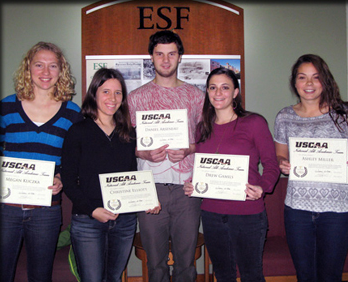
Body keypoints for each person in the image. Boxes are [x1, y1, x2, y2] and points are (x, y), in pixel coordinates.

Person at [184, 67, 280, 282]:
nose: (218, 93)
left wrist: (263, 188)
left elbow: (271, 165)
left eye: (225, 87)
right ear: (207, 92)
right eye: (213, 88)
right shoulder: (202, 128)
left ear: (235, 92)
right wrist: (193, 184)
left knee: (251, 275)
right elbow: (202, 168)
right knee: (223, 275)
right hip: (211, 214)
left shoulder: (254, 123)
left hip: (248, 213)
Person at [0, 41, 83, 282]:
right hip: (6, 208)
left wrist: (61, 178)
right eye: (39, 65)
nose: (45, 73)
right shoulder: (5, 108)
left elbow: (74, 161)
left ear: (61, 71)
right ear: (28, 68)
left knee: (40, 276)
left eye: (53, 66)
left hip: (46, 209)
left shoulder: (72, 113)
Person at [127, 30, 204, 282]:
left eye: (172, 54)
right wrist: (143, 152)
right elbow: (124, 144)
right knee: (156, 263)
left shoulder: (197, 96)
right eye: (159, 54)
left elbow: (208, 139)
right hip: (150, 188)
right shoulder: (135, 98)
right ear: (151, 57)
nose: (166, 60)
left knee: (186, 263)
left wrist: (190, 149)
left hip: (187, 189)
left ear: (180, 57)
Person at [274, 54, 348, 282]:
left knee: (331, 276)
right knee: (305, 276)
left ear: (325, 80)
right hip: (297, 210)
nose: (309, 84)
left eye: (316, 77)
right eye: (302, 77)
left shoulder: (343, 114)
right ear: (294, 82)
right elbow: (280, 152)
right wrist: (282, 163)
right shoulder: (284, 116)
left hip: (337, 209)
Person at [61, 68, 137, 282]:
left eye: (118, 93)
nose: (112, 99)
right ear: (94, 94)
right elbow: (68, 181)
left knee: (113, 278)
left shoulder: (129, 133)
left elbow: (132, 176)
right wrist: (92, 210)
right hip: (88, 220)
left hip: (124, 221)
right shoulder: (78, 131)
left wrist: (144, 200)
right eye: (106, 92)